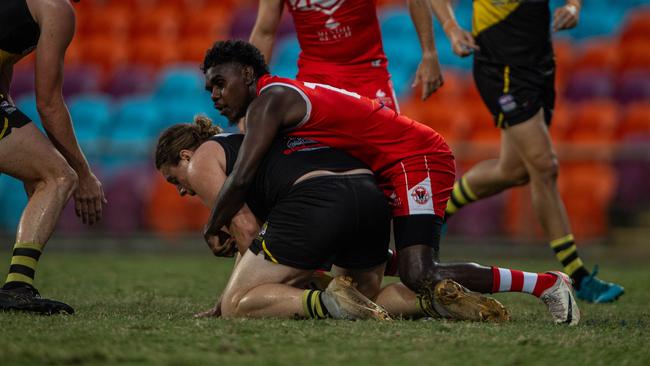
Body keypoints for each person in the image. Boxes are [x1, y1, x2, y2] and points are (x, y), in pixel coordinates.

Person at [200, 39, 581, 325]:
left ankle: (547, 283)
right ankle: (448, 299)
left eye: (220, 83)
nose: (215, 95)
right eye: (210, 89)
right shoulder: (280, 95)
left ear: (247, 75)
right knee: (375, 265)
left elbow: (242, 175)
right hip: (385, 169)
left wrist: (213, 225)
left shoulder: (272, 98)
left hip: (416, 159)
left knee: (419, 272)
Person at [155, 117, 509, 321]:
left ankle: (328, 302)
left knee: (238, 307)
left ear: (185, 155)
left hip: (318, 200)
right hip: (367, 193)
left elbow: (247, 232)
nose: (182, 191)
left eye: (175, 180)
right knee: (364, 296)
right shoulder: (248, 137)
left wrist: (232, 298)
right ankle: (433, 299)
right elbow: (258, 242)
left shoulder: (202, 160)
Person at [429, 0, 624, 303]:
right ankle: (580, 277)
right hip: (502, 70)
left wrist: (573, 6)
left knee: (513, 170)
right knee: (544, 167)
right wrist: (451, 28)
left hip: (540, 64)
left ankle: (438, 212)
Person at [0, 0, 105, 314]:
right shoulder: (56, 8)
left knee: (42, 172)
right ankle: (17, 287)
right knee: (59, 176)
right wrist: (84, 174)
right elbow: (48, 104)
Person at [249, 0, 444, 115]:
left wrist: (429, 54)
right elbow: (264, 32)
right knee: (316, 169)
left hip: (368, 74)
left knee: (388, 166)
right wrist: (249, 98)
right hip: (315, 81)